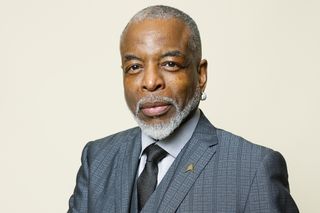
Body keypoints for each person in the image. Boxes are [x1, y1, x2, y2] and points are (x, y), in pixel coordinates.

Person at [68, 5, 299, 213]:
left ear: (201, 74)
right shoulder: (97, 158)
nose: (150, 82)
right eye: (134, 66)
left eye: (170, 64)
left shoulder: (253, 169)